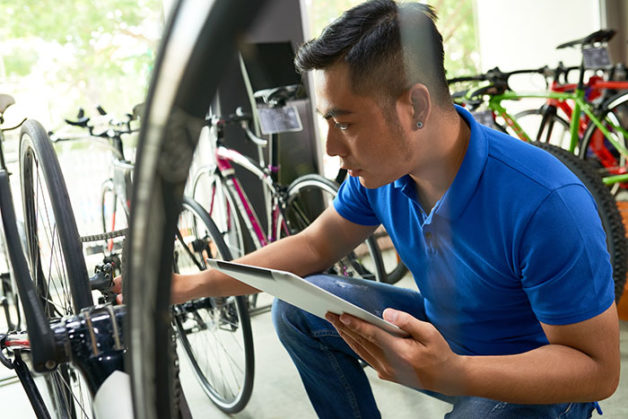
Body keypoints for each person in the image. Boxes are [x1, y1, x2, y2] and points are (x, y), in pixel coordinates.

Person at [115, 1, 619, 417]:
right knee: (299, 305)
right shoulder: (385, 174)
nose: (332, 147)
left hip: (536, 376)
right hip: (449, 340)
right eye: (326, 122)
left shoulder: (545, 201)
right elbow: (315, 245)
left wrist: (454, 373)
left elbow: (597, 371)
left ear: (416, 108)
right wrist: (190, 284)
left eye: (346, 123)